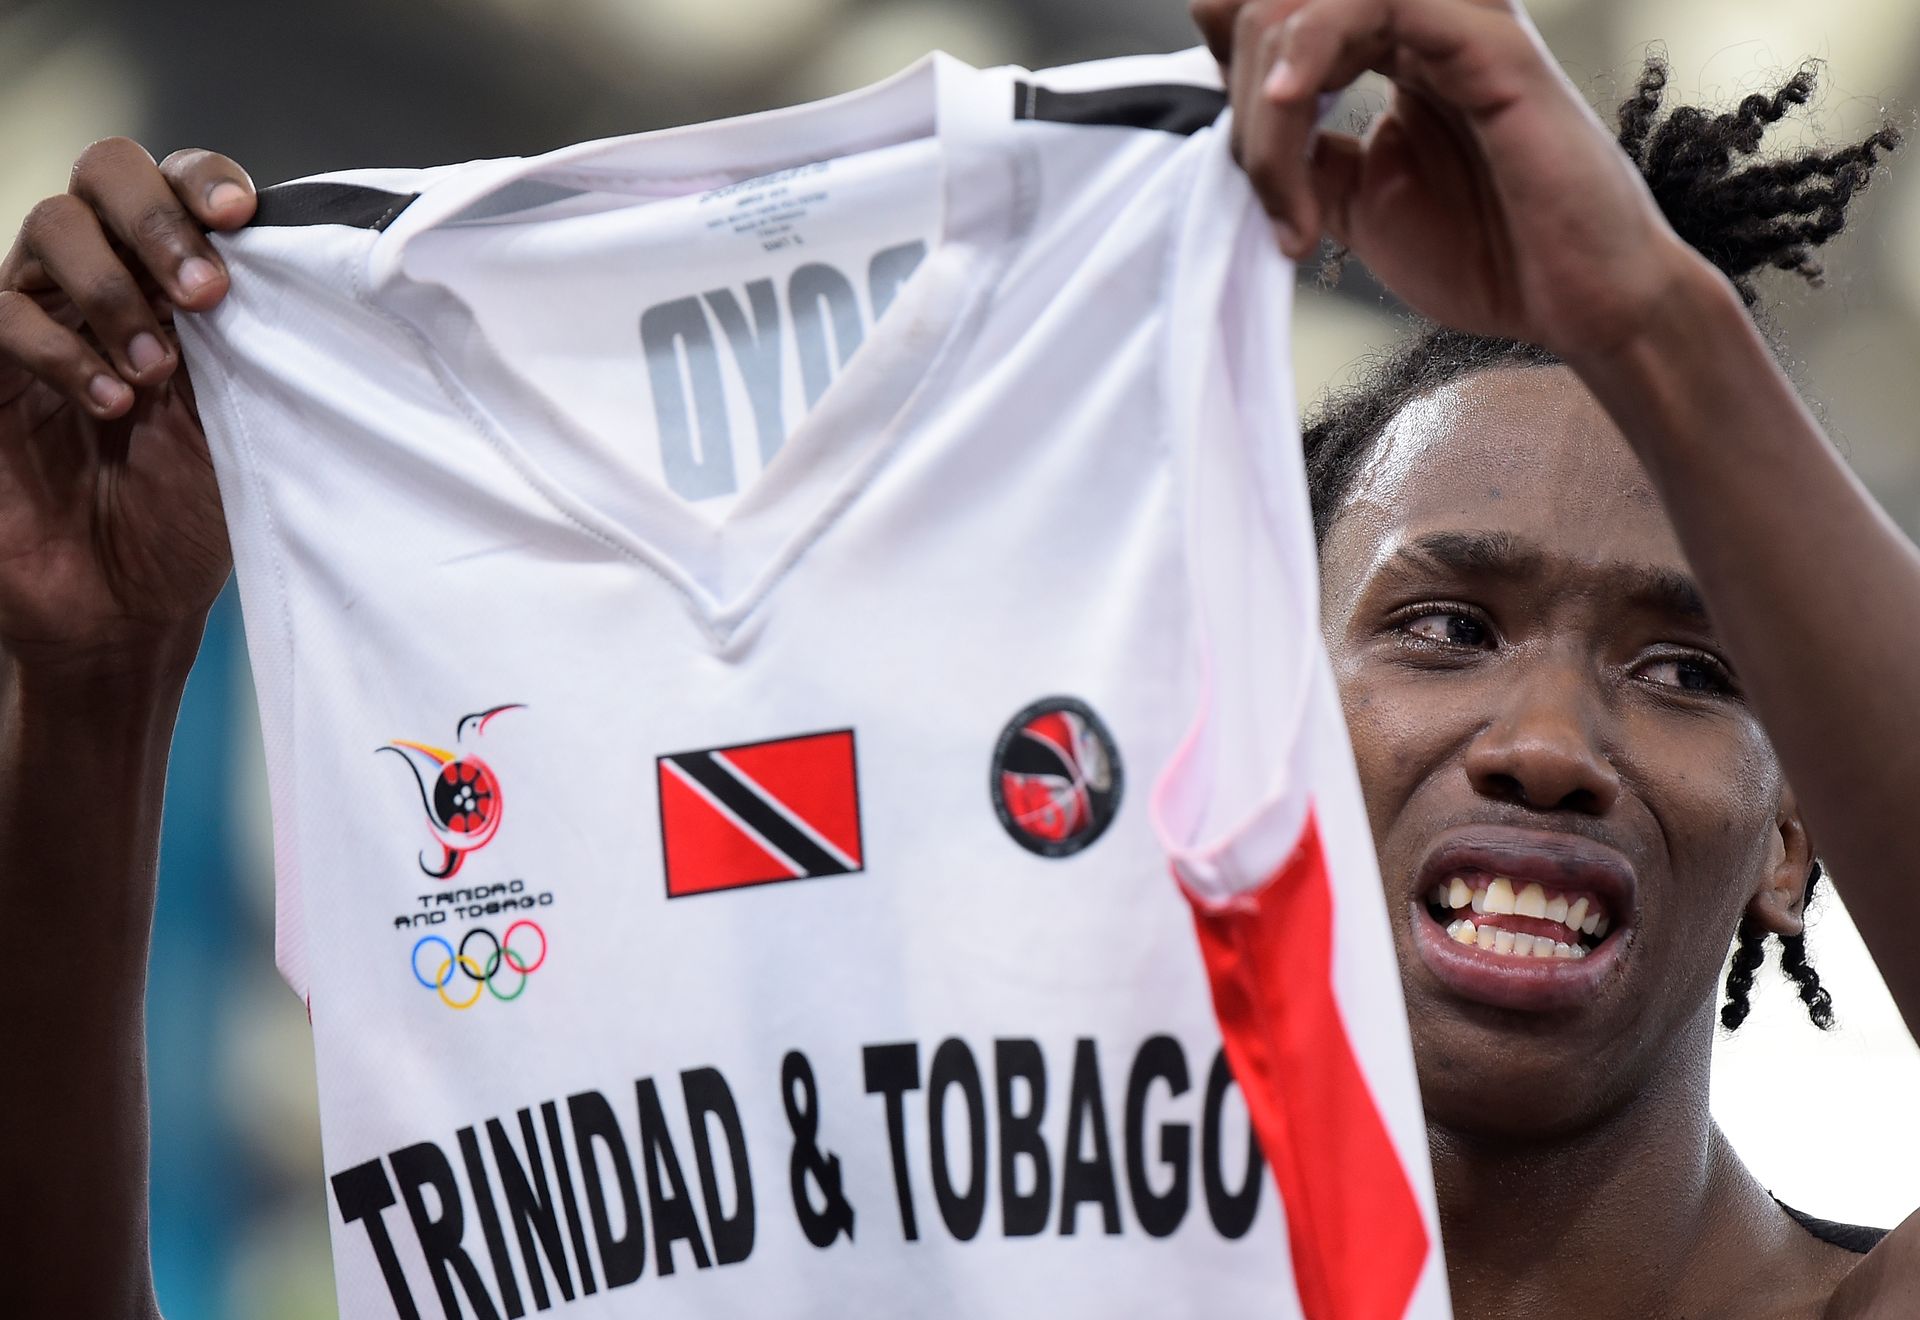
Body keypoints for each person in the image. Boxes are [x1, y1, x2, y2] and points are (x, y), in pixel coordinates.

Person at [1, 0, 1916, 1315]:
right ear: (1244, 697)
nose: (1550, 740)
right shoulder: (964, 1264)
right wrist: (97, 682)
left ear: (1795, 832)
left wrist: (1642, 314)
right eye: (1443, 626)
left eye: (1692, 672)